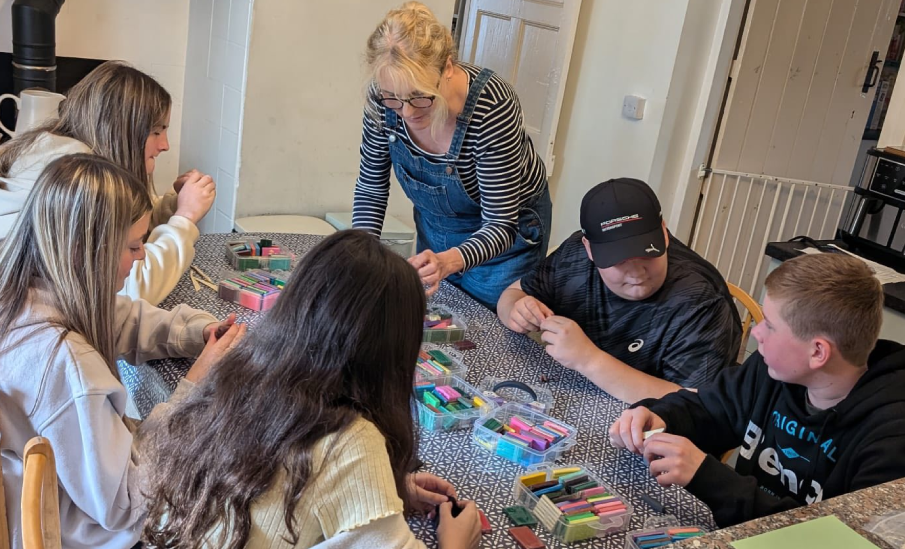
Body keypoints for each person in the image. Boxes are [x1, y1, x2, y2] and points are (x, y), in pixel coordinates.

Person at [0, 154, 245, 548]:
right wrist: (194, 386)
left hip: (27, 494)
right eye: (133, 246)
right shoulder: (63, 362)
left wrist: (194, 332)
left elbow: (119, 317)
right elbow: (125, 505)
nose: (143, 255)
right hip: (64, 529)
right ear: (86, 251)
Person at [141, 230, 482, 549]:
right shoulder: (353, 440)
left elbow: (281, 482)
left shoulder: (241, 370)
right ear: (392, 353)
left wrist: (388, 489)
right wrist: (458, 541)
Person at [609, 253, 905, 527]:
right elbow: (711, 409)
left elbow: (836, 541)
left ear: (818, 352)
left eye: (771, 326)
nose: (755, 332)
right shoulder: (773, 371)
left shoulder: (891, 440)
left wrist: (709, 478)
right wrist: (659, 417)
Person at [353, 1, 552, 309]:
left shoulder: (492, 106)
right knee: (434, 322)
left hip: (507, 236)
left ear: (447, 67)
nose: (405, 113)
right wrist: (361, 254)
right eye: (393, 98)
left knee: (485, 332)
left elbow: (500, 223)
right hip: (437, 225)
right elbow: (371, 187)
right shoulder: (383, 97)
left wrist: (450, 261)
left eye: (419, 96)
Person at [0, 60, 216, 305]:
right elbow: (133, 292)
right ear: (120, 131)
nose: (164, 145)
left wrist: (173, 207)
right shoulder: (79, 184)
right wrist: (185, 217)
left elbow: (124, 234)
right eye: (156, 131)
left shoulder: (56, 151)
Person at [497, 178, 741, 403]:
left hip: (658, 428)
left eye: (648, 253)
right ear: (589, 249)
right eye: (618, 259)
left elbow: (696, 405)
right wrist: (517, 310)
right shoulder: (573, 256)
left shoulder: (701, 302)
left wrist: (589, 360)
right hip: (576, 396)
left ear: (664, 234)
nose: (636, 273)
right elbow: (512, 294)